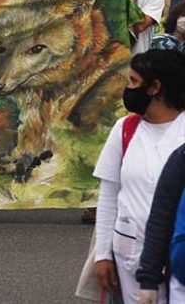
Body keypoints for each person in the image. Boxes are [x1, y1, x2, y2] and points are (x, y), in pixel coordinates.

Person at [93, 50, 185, 304]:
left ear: (155, 87)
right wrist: (102, 254)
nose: (127, 88)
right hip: (131, 254)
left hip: (179, 254)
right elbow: (109, 194)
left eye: (133, 81)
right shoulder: (125, 129)